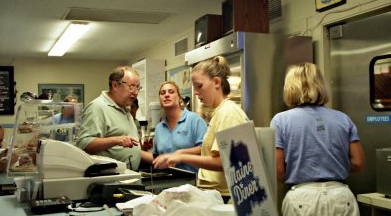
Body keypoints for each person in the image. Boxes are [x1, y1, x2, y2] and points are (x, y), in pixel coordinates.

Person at [269, 62, 365, 216]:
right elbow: (358, 163)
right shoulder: (343, 119)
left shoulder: (280, 121)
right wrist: (333, 167)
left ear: (290, 87)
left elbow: (278, 170)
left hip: (302, 199)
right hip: (341, 197)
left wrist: (302, 169)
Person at [153, 56, 249, 200]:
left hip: (225, 195)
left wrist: (181, 156)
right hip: (214, 192)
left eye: (199, 86)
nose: (196, 92)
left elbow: (224, 162)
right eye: (194, 88)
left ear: (216, 82)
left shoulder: (229, 113)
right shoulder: (219, 112)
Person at [77, 66, 143, 170]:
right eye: (131, 87)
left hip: (127, 177)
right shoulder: (97, 107)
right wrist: (116, 140)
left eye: (138, 87)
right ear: (115, 85)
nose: (135, 92)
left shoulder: (124, 108)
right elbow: (84, 144)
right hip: (109, 179)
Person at [148, 81, 207, 173]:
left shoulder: (194, 120)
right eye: (162, 93)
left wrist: (179, 154)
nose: (166, 95)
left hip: (191, 182)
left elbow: (204, 149)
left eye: (171, 92)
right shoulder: (159, 128)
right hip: (167, 183)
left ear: (179, 98)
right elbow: (156, 156)